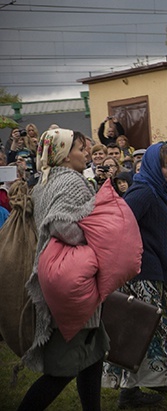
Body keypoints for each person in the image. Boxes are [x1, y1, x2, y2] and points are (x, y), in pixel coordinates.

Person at [19, 128, 110, 411]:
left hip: (56, 273)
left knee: (92, 357)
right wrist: (97, 236)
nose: (86, 153)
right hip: (73, 280)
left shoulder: (44, 181)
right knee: (63, 368)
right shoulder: (71, 181)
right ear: (63, 154)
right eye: (80, 148)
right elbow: (63, 226)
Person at [102, 142, 167, 408]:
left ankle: (155, 376)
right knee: (143, 330)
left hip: (159, 272)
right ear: (155, 165)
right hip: (144, 273)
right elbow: (122, 223)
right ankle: (130, 392)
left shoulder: (157, 190)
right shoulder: (143, 191)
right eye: (165, 166)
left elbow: (158, 224)